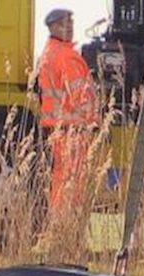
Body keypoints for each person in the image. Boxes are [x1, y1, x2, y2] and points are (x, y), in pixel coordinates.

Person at [37, 8, 99, 250]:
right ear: (52, 27)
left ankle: (59, 235)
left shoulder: (48, 54)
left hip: (57, 130)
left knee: (61, 185)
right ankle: (66, 237)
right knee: (71, 188)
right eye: (64, 24)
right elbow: (81, 96)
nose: (69, 27)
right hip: (73, 130)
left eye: (71, 23)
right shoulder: (67, 57)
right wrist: (95, 119)